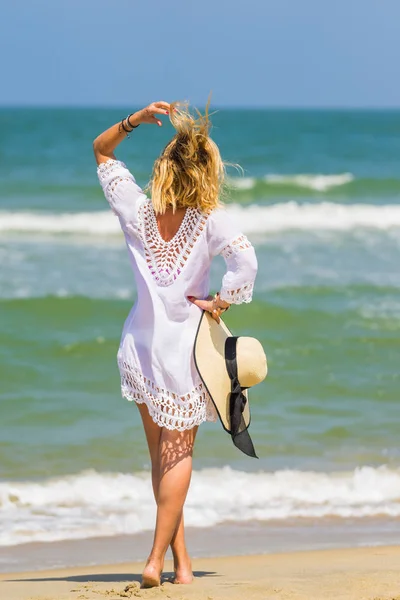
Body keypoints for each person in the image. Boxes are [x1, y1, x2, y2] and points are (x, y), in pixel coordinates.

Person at [93, 100, 257, 587]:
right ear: (207, 171)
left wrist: (133, 122)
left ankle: (180, 566)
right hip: (183, 356)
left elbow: (102, 152)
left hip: (139, 347)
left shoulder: (136, 211)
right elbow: (246, 265)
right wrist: (219, 303)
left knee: (160, 459)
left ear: (164, 166)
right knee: (178, 456)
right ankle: (152, 560)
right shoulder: (211, 219)